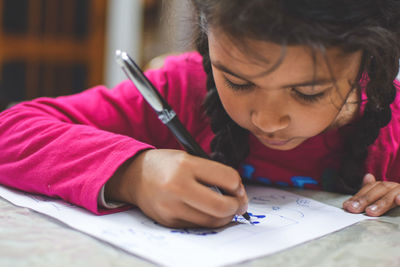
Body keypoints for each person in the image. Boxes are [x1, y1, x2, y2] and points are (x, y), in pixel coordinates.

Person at [1, 0, 400, 228]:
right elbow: (10, 132)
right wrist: (132, 173)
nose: (266, 119)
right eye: (239, 83)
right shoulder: (181, 88)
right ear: (208, 43)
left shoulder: (392, 119)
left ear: (372, 62)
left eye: (308, 92)